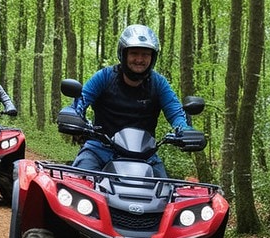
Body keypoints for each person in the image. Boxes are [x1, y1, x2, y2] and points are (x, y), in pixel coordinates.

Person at [67, 24, 193, 178]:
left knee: (166, 194)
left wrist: (184, 130)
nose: (139, 59)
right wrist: (73, 115)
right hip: (100, 149)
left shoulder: (159, 83)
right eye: (134, 53)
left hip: (145, 155)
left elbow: (175, 112)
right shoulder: (104, 77)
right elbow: (82, 99)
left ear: (152, 57)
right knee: (77, 184)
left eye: (145, 54)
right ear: (123, 54)